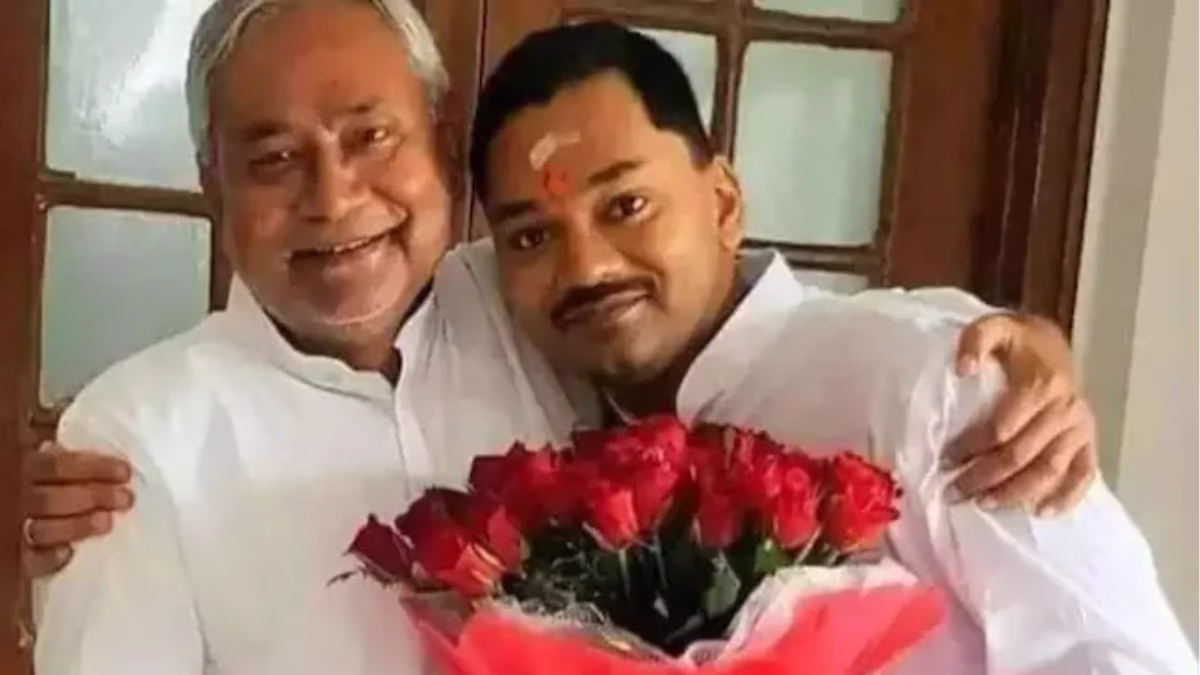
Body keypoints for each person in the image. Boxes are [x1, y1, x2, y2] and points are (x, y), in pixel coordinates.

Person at [26, 2, 1100, 674]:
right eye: (272, 160)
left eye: (371, 136)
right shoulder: (137, 437)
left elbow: (722, 313)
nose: (335, 197)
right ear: (211, 182)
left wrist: (981, 340)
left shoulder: (525, 302)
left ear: (439, 148)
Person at [457, 21, 1196, 673]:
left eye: (627, 205)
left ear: (723, 203)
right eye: (531, 236)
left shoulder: (928, 383)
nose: (586, 267)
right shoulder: (554, 432)